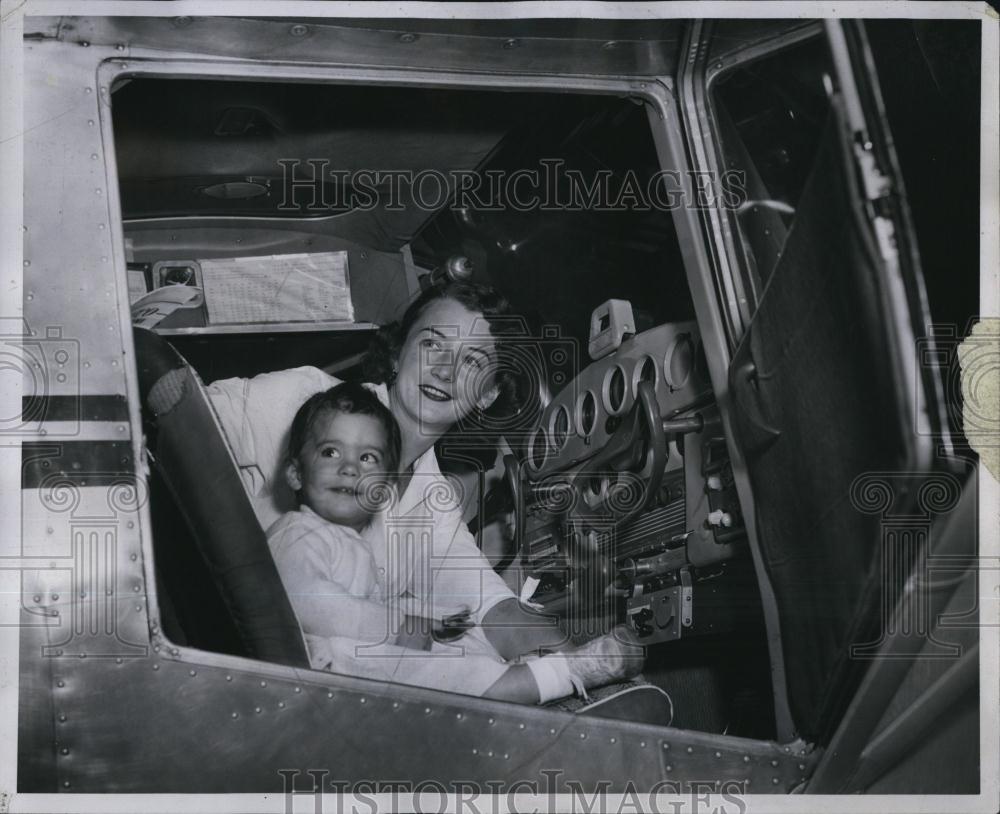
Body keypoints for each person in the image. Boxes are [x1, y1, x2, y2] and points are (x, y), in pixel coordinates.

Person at [207, 280, 642, 676]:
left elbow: (498, 613)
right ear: (397, 354)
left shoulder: (435, 505)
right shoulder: (304, 399)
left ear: (488, 394)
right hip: (221, 648)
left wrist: (584, 668)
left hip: (312, 690)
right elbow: (170, 418)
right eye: (433, 345)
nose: (446, 371)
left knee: (462, 639)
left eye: (472, 362)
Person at [268, 382, 641, 702]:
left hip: (350, 666)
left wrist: (432, 622)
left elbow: (376, 609)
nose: (349, 467)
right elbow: (310, 604)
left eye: (367, 458)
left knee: (454, 629)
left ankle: (513, 671)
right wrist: (401, 627)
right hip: (315, 669)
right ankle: (547, 681)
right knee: (387, 653)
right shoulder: (295, 533)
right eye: (330, 452)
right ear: (295, 473)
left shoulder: (354, 543)